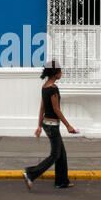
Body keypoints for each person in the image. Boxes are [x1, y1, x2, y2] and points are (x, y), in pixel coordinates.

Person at [23, 60, 78, 190]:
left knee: (61, 154)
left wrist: (39, 126)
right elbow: (56, 109)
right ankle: (31, 174)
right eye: (60, 70)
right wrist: (68, 126)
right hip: (52, 126)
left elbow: (42, 108)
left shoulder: (45, 87)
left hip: (46, 124)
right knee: (55, 155)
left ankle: (61, 181)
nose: (62, 72)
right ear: (55, 73)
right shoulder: (53, 89)